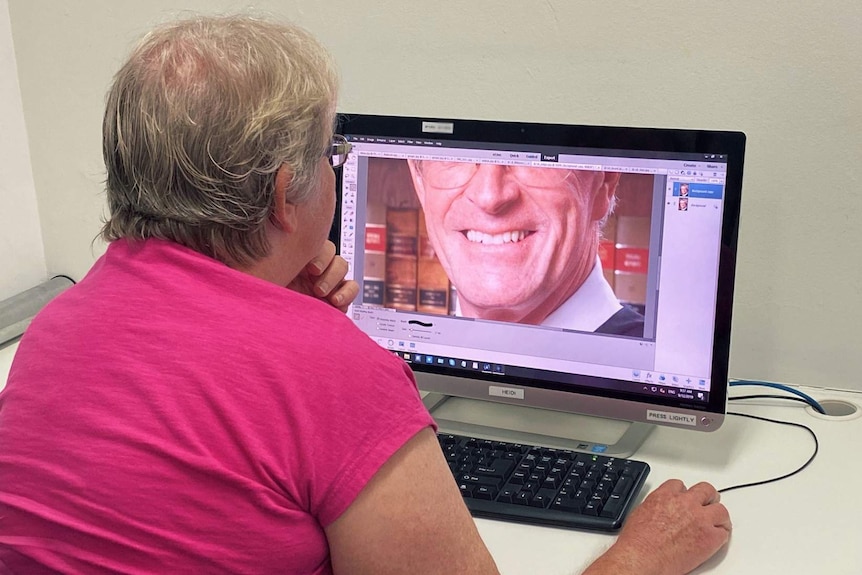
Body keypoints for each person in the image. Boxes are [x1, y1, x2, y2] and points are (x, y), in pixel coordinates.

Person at [0, 15, 730, 574]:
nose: (492, 196)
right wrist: (641, 555)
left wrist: (286, 320)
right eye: (330, 151)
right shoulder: (330, 369)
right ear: (288, 194)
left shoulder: (58, 326)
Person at [407, 161, 645, 336]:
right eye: (456, 152)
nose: (490, 196)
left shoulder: (667, 381)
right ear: (419, 182)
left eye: (533, 155)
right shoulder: (395, 371)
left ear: (605, 181)